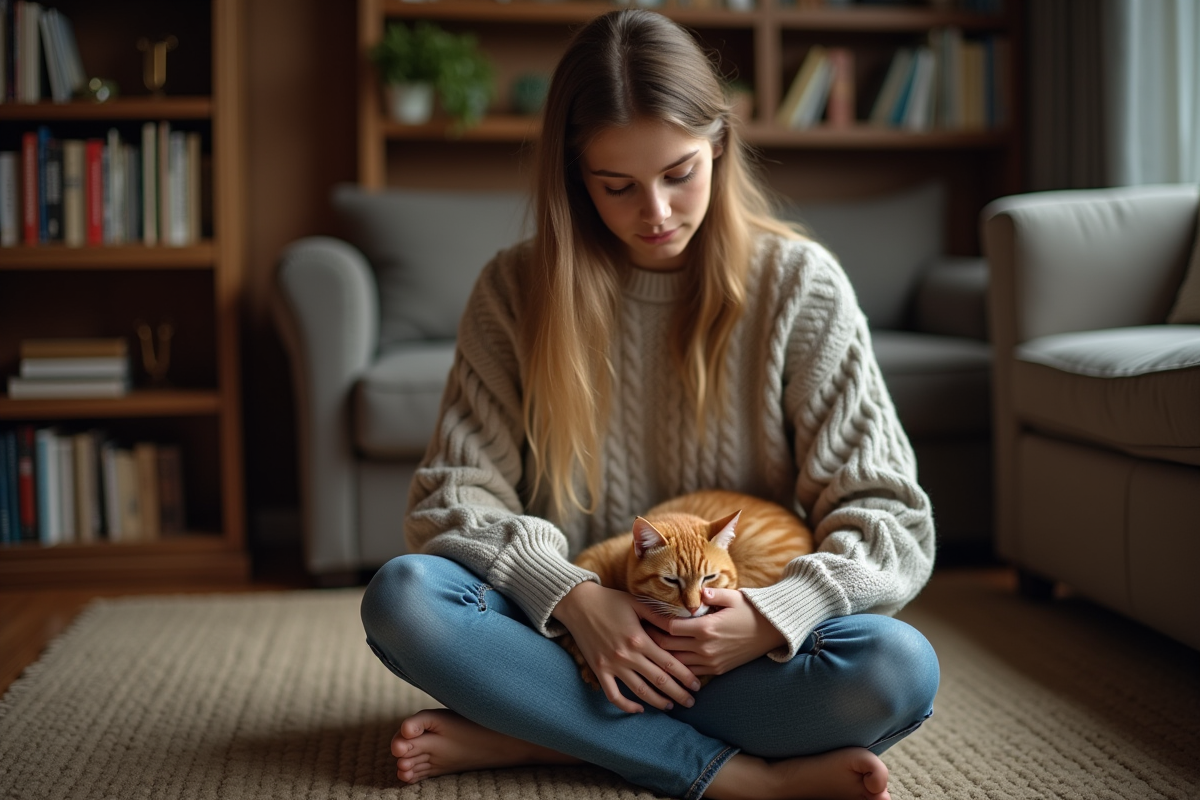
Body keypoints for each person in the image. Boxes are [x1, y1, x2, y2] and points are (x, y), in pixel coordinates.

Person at [360, 9, 939, 800]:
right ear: (575, 177)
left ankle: (546, 731)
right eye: (617, 186)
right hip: (569, 637)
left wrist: (770, 617)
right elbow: (450, 500)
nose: (657, 213)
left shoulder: (800, 285)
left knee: (896, 669)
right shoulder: (513, 290)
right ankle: (735, 778)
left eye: (680, 173)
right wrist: (575, 600)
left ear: (721, 148)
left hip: (733, 648)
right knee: (406, 600)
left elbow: (890, 515)